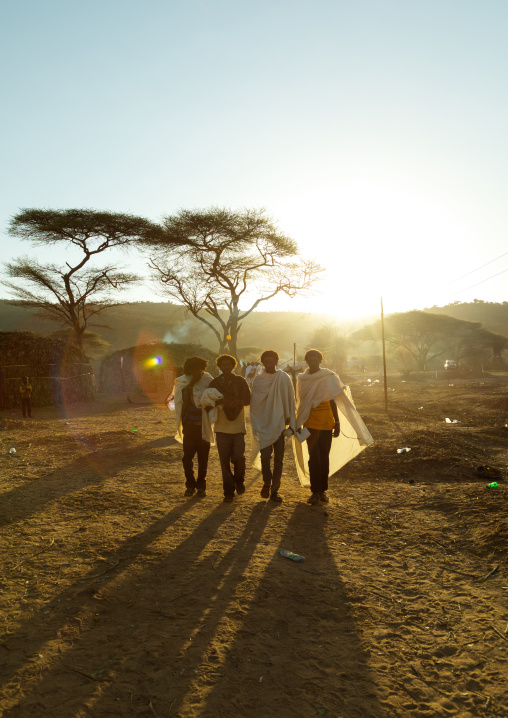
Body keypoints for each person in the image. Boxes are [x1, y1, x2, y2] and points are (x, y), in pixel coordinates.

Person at [293, 349, 373, 505]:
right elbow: (301, 403)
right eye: (310, 358)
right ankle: (315, 491)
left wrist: (336, 422)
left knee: (323, 458)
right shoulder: (302, 380)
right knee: (313, 459)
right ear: (307, 361)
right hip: (310, 425)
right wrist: (299, 422)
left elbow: (333, 400)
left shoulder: (328, 377)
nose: (313, 360)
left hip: (326, 425)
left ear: (320, 360)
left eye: (316, 358)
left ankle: (322, 491)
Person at [250, 350, 295, 502]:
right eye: (266, 362)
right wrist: (256, 423)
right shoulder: (258, 381)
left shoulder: (284, 378)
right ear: (263, 363)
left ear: (276, 361)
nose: (269, 364)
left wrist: (290, 422)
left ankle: (274, 491)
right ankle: (266, 482)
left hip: (280, 425)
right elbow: (255, 405)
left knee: (279, 459)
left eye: (272, 361)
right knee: (265, 458)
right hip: (263, 425)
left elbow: (290, 399)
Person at [209, 354, 251, 502]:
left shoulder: (241, 381)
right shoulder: (214, 383)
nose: (226, 367)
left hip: (238, 427)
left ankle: (239, 480)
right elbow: (209, 402)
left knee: (239, 457)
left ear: (233, 366)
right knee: (224, 461)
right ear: (219, 367)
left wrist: (237, 402)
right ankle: (228, 492)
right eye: (223, 365)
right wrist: (224, 403)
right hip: (221, 427)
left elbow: (248, 399)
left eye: (229, 365)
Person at [172, 357, 214, 498]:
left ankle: (201, 486)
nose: (197, 371)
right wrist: (183, 424)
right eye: (194, 368)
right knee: (187, 458)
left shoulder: (208, 379)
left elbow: (213, 398)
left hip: (204, 426)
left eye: (200, 368)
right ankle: (190, 485)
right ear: (189, 369)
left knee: (203, 459)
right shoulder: (183, 382)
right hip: (189, 427)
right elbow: (180, 404)